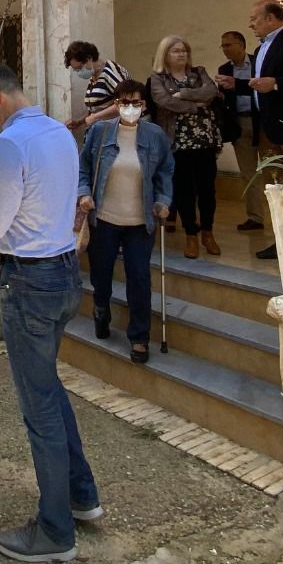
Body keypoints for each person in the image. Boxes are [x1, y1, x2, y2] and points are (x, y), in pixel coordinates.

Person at [0, 64, 100, 564]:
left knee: (39, 409)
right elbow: (46, 198)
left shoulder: (9, 142)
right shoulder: (56, 131)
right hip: (64, 274)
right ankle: (81, 496)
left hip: (29, 282)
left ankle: (55, 530)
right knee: (50, 391)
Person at [77, 79, 173, 364]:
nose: (130, 108)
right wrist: (83, 193)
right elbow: (82, 167)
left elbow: (165, 172)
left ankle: (140, 338)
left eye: (136, 103)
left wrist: (164, 201)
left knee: (140, 279)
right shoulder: (99, 132)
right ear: (116, 104)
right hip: (104, 218)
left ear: (144, 105)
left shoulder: (155, 136)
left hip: (140, 222)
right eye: (124, 102)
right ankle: (101, 306)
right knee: (101, 274)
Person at [221, 0, 283, 261]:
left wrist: (276, 85)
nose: (250, 23)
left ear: (272, 19)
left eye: (255, 18)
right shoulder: (261, 47)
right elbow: (260, 84)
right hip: (269, 129)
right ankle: (281, 239)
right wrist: (237, 84)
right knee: (275, 185)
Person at [148, 36, 222, 260]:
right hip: (177, 140)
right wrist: (196, 105)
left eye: (184, 51)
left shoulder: (198, 73)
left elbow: (210, 92)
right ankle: (191, 233)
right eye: (175, 51)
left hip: (204, 138)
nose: (181, 55)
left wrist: (184, 94)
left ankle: (208, 232)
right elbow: (165, 101)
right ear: (165, 55)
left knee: (207, 188)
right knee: (184, 189)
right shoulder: (158, 78)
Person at [216, 31, 266, 233]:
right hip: (239, 123)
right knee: (248, 173)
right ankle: (255, 217)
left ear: (241, 45)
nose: (225, 49)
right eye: (223, 46)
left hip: (261, 123)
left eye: (228, 45)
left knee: (272, 169)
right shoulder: (224, 69)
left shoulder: (257, 63)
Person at [63, 41, 129, 133]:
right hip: (99, 131)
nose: (78, 72)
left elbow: (125, 102)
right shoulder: (94, 76)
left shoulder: (110, 72)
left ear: (88, 59)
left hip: (113, 132)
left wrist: (95, 117)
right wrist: (80, 121)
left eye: (79, 68)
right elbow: (97, 108)